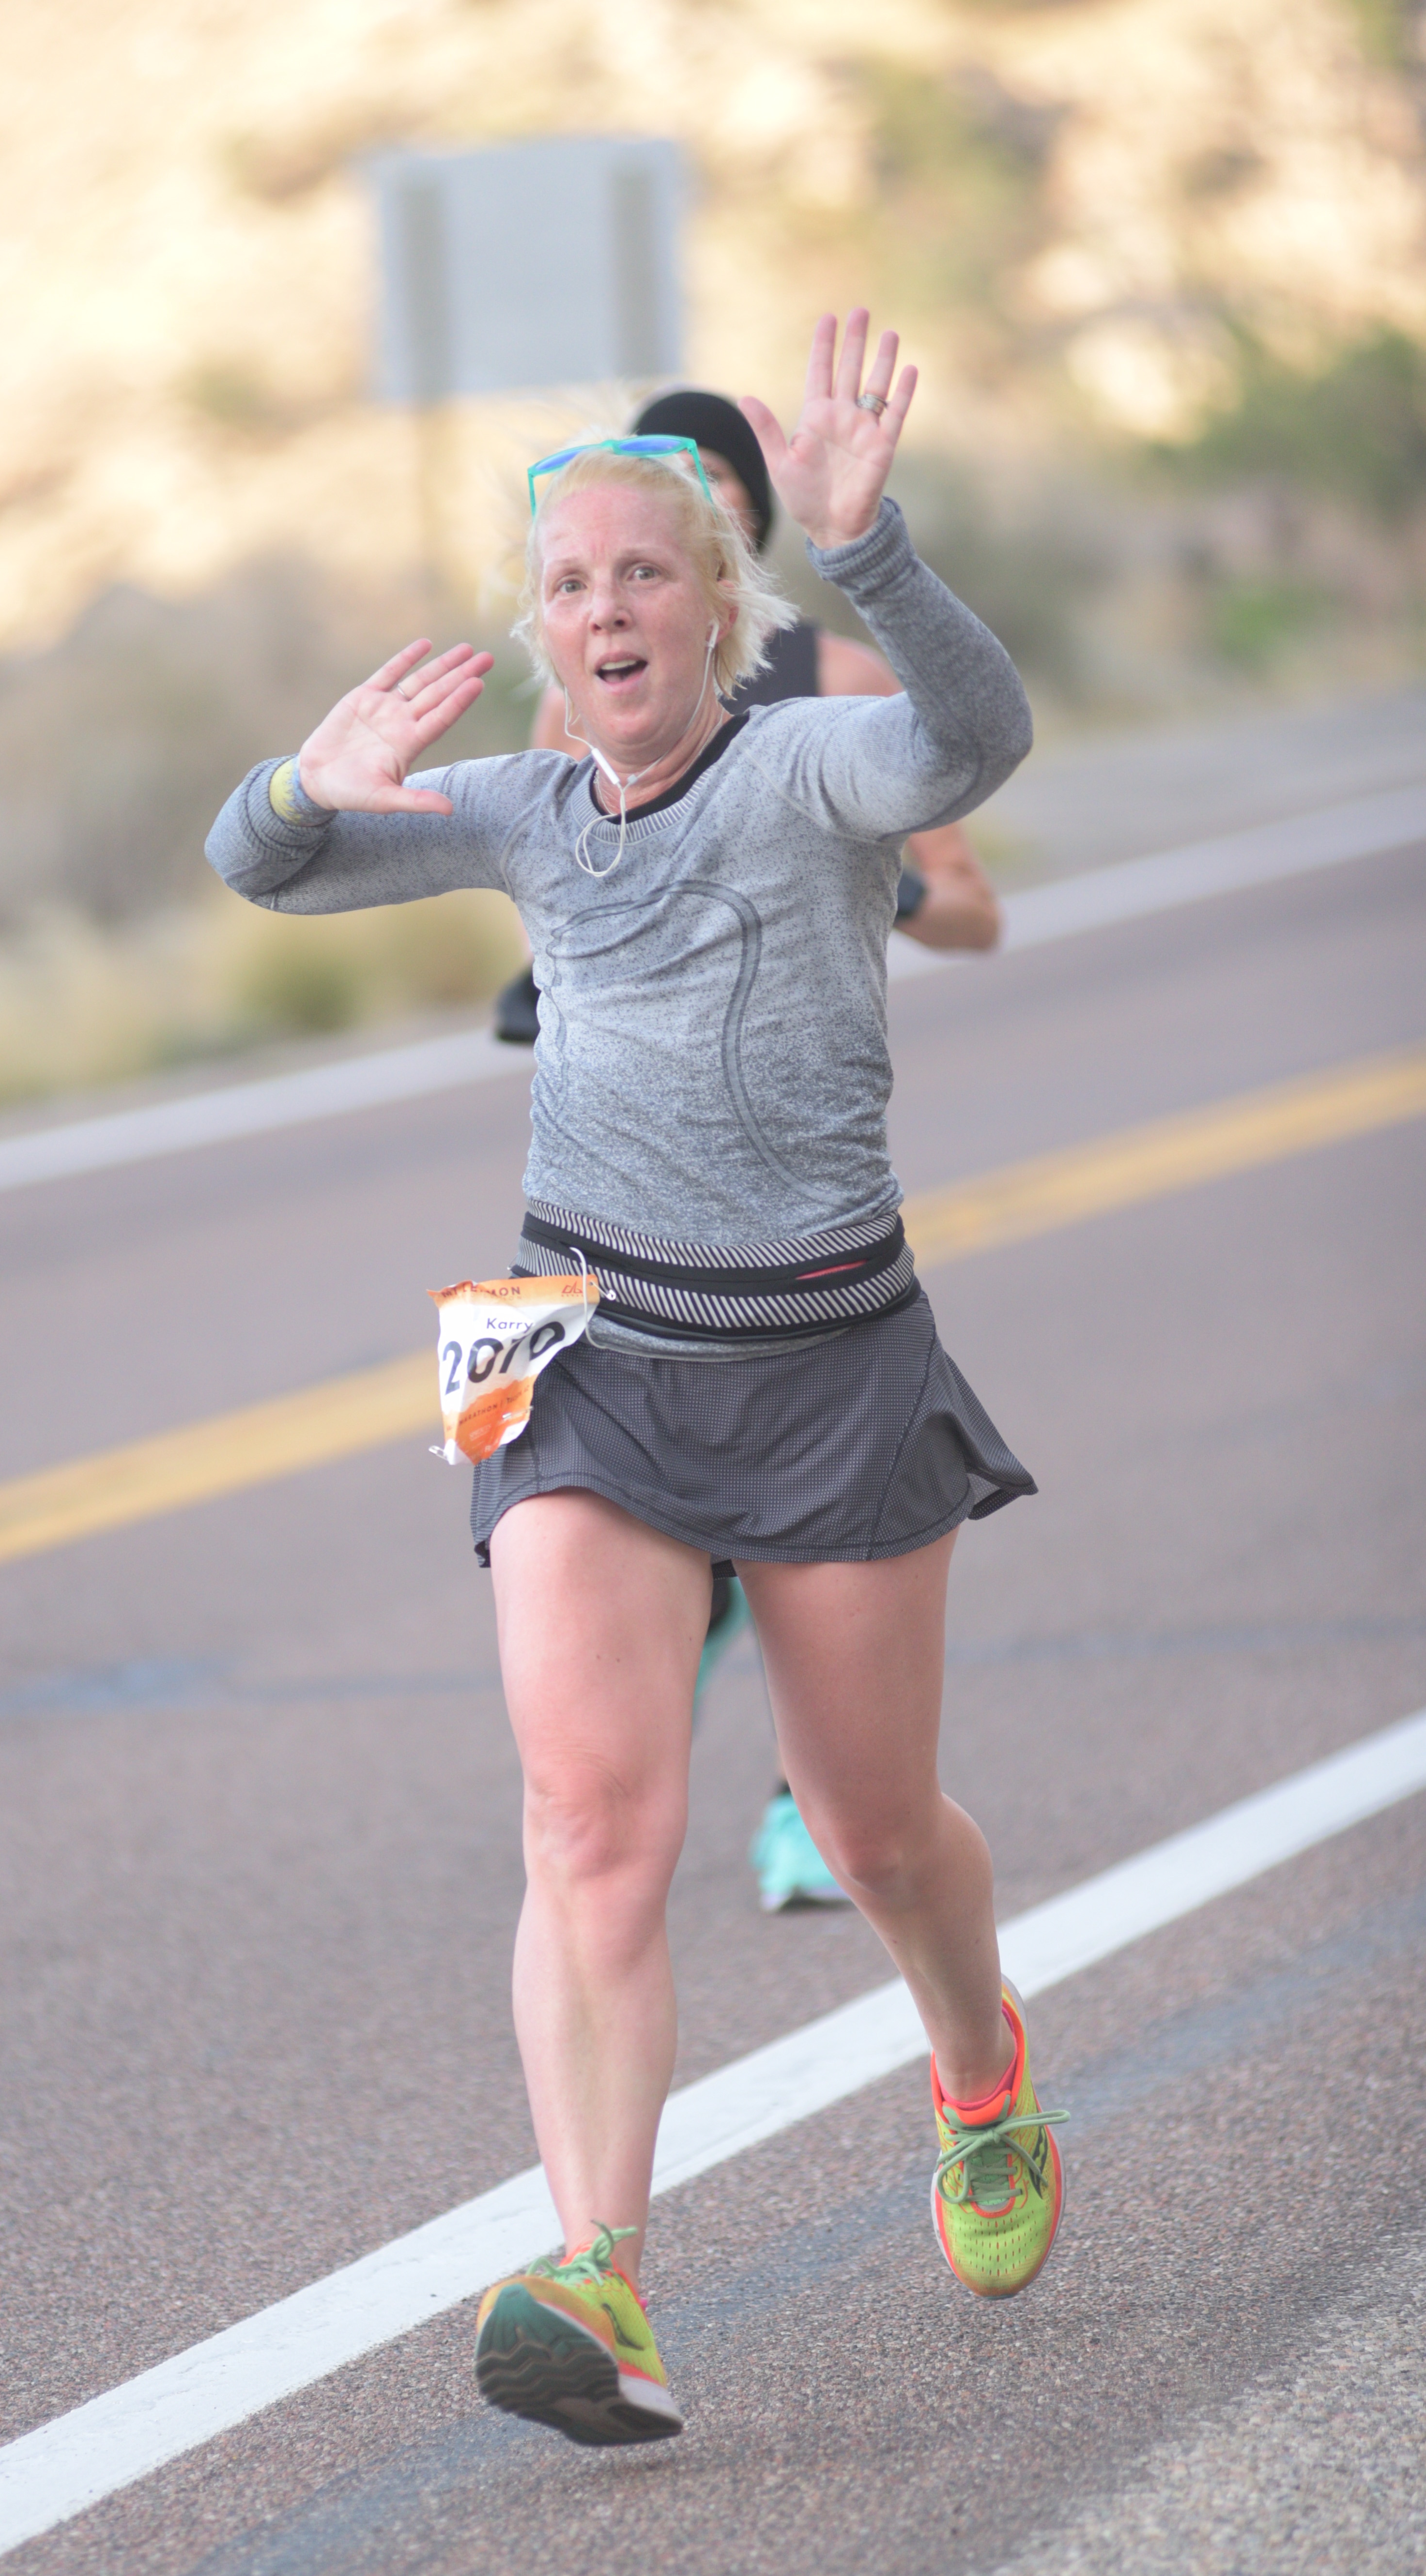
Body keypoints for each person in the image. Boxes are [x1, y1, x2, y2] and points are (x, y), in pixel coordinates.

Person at [208, 310, 1065, 2450]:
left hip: (824, 1359)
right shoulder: (521, 807)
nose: (605, 608)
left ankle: (978, 2067)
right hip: (580, 1351)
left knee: (873, 1834)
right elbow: (265, 866)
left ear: (715, 608)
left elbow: (977, 741)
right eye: (569, 581)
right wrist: (301, 782)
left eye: (645, 574)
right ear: (542, 631)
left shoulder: (810, 767)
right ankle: (597, 2271)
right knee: (588, 1816)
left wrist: (877, 555)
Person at [496, 385, 1007, 1917]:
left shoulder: (833, 683)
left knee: (802, 1603)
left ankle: (815, 1800)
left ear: (739, 544)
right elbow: (552, 856)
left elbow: (973, 907)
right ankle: (622, 1801)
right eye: (668, 487)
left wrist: (869, 882)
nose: (689, 509)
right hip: (606, 1238)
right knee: (623, 1613)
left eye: (716, 490)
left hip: (793, 1209)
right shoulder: (583, 691)